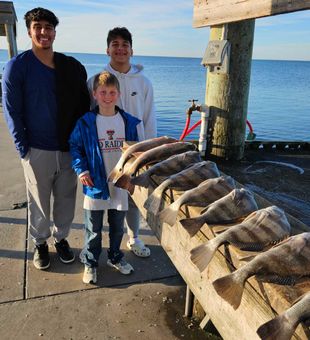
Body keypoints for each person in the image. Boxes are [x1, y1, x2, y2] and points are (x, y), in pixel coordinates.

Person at [2, 8, 90, 270]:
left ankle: (61, 238)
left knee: (65, 199)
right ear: (29, 31)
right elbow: (12, 110)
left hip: (68, 147)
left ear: (55, 32)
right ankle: (40, 243)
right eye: (38, 26)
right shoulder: (17, 67)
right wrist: (23, 148)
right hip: (36, 148)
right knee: (38, 201)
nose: (43, 32)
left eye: (48, 27)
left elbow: (84, 105)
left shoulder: (70, 66)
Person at [88, 27, 157, 258]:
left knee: (132, 196)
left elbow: (149, 118)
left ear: (131, 50)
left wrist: (151, 150)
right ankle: (95, 244)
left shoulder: (144, 83)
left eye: (124, 44)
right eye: (115, 44)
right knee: (100, 197)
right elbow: (88, 117)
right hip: (104, 149)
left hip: (135, 151)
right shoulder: (95, 81)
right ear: (107, 49)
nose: (120, 48)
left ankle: (134, 237)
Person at [69, 71, 140, 284]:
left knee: (118, 227)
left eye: (111, 92)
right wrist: (81, 169)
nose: (107, 96)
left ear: (118, 94)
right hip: (95, 185)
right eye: (103, 92)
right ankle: (90, 262)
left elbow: (134, 151)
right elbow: (75, 147)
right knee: (93, 229)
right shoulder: (86, 122)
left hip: (119, 184)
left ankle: (115, 257)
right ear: (95, 94)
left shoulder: (128, 121)